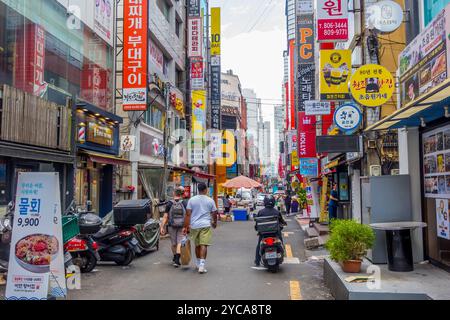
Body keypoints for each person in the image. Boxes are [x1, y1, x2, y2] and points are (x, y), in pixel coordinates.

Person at [183, 183, 218, 274]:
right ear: (206, 190)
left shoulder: (192, 200)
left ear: (198, 189)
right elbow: (214, 213)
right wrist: (214, 223)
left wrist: (185, 227)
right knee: (204, 244)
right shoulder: (210, 200)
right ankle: (202, 265)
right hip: (205, 225)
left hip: (194, 225)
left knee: (197, 245)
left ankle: (198, 263)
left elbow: (188, 214)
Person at [254, 196, 287, 267]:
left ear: (265, 202)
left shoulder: (260, 212)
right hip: (275, 234)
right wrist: (283, 224)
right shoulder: (276, 212)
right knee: (281, 242)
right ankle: (282, 254)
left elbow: (257, 225)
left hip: (263, 235)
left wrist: (257, 228)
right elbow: (282, 222)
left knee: (258, 246)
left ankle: (257, 261)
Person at [160, 187, 188, 268]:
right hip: (181, 225)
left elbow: (165, 216)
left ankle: (175, 257)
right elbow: (187, 215)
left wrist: (162, 227)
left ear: (174, 193)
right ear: (180, 194)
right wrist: (186, 226)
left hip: (171, 226)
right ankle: (177, 259)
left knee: (173, 243)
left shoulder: (169, 203)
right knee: (179, 242)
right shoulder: (184, 203)